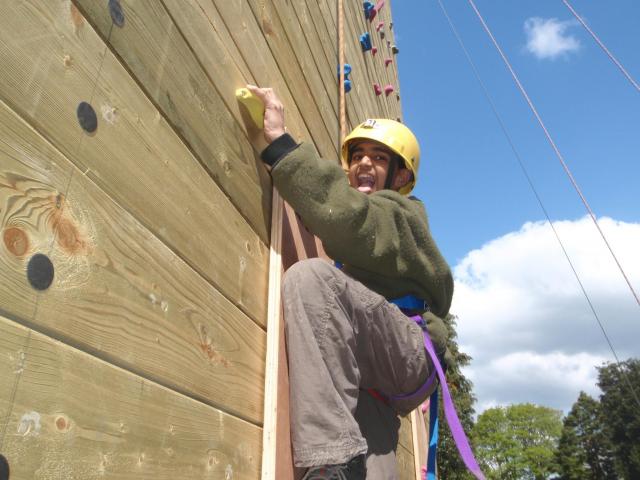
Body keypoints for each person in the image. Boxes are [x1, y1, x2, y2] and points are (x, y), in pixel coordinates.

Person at [247, 85, 454, 480]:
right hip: (379, 368)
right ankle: (345, 461)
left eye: (378, 158)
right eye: (357, 155)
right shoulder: (375, 235)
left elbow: (348, 218)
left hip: (408, 347)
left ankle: (329, 461)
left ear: (402, 175)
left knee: (312, 278)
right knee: (364, 448)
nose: (363, 163)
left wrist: (281, 146)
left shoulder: (402, 214)